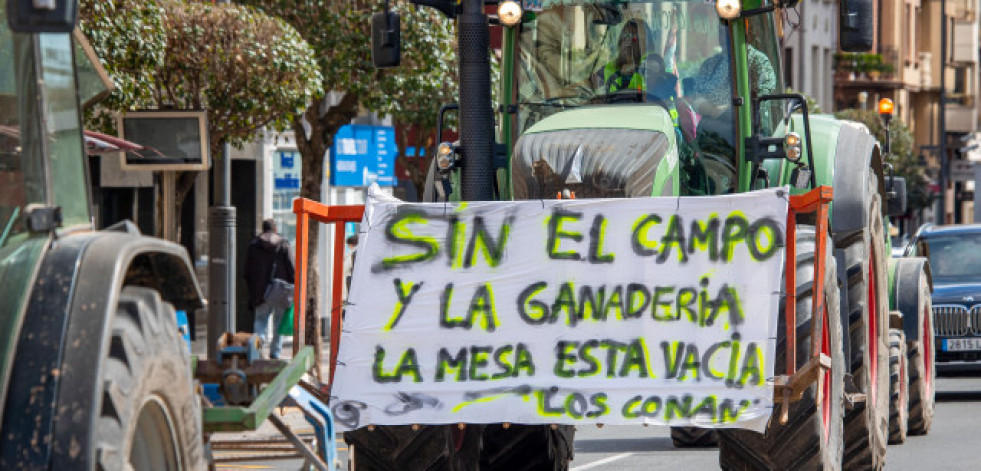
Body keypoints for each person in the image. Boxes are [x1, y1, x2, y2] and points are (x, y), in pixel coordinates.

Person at [244, 219, 294, 359]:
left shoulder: (254, 245)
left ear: (263, 229)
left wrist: (253, 288)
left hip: (260, 293)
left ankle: (257, 352)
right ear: (275, 229)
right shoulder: (283, 244)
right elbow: (292, 268)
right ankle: (275, 354)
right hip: (280, 291)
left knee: (260, 322)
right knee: (279, 324)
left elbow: (247, 271)